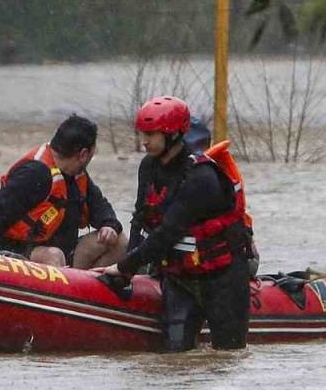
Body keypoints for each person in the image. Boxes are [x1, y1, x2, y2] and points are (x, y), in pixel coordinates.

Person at [94, 96, 254, 352]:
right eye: (142, 133)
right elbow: (141, 220)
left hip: (223, 278)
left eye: (151, 134)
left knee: (229, 354)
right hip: (180, 278)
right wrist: (130, 268)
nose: (144, 140)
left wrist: (124, 267)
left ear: (173, 134)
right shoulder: (148, 167)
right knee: (174, 356)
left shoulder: (201, 177)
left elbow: (168, 232)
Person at [0, 114, 125, 268]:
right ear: (83, 154)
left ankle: (86, 295)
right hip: (19, 253)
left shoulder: (76, 174)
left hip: (67, 257)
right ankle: (59, 299)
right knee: (53, 256)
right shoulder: (35, 174)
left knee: (119, 242)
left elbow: (99, 205)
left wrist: (109, 224)